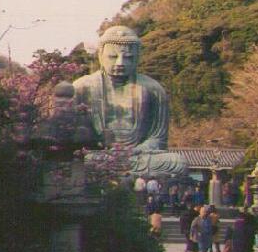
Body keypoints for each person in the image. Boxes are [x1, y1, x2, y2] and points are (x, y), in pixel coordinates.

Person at [71, 25, 187, 177]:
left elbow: (158, 138)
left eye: (128, 57)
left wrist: (139, 149)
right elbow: (74, 137)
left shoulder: (154, 89)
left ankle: (117, 169)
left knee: (177, 162)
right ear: (100, 55)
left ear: (138, 57)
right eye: (113, 57)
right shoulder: (82, 87)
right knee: (83, 160)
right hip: (98, 154)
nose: (121, 63)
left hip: (138, 155)